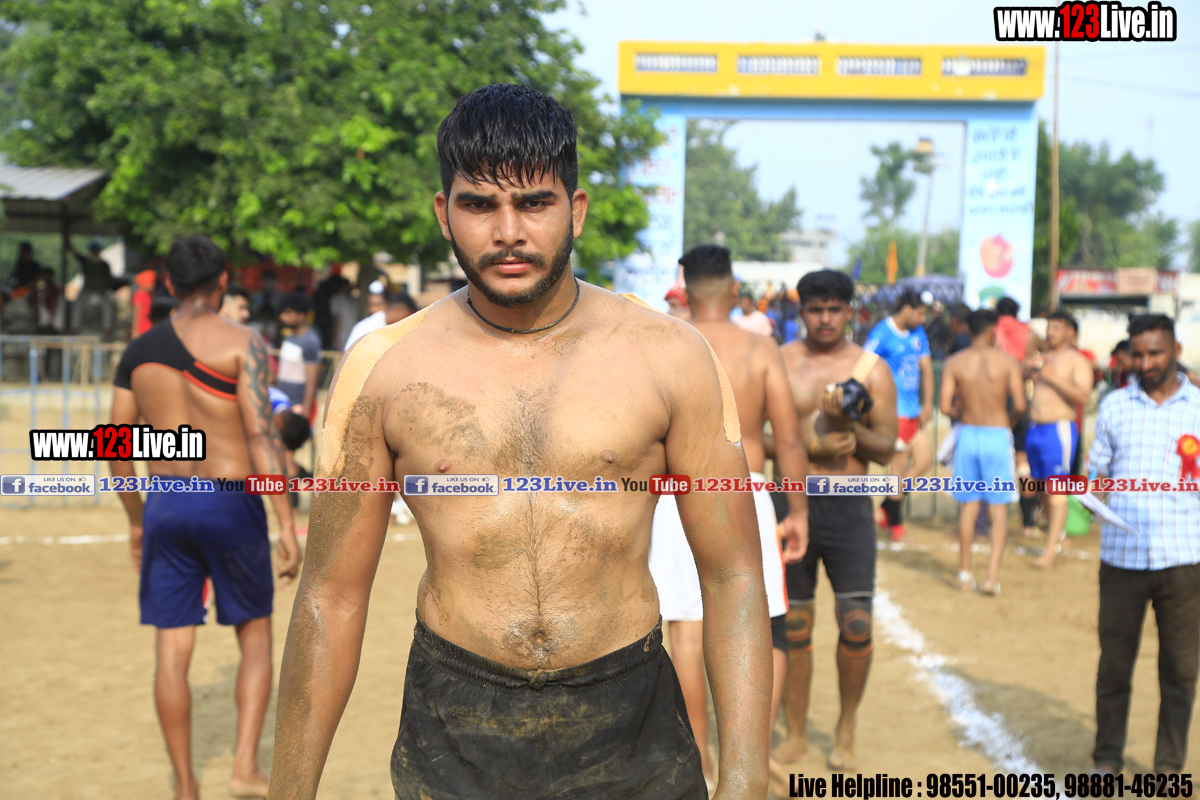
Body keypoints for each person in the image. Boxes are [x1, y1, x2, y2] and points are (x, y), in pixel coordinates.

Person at [267, 83, 772, 800]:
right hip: (455, 728)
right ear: (443, 213)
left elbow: (733, 576)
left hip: (630, 724)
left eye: (535, 203)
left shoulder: (670, 357)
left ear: (577, 209)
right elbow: (331, 595)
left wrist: (746, 779)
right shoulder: (385, 369)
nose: (508, 231)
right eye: (479, 205)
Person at [110, 234, 301, 800]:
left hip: (167, 500)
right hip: (229, 500)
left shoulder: (138, 352)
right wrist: (285, 521)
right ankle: (243, 768)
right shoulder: (244, 342)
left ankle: (186, 785)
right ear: (222, 282)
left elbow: (115, 448)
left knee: (171, 651)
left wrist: (137, 520)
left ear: (169, 282)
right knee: (256, 634)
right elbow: (261, 436)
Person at [650, 244, 809, 789]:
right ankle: (749, 755)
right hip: (747, 487)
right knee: (757, 622)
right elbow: (789, 437)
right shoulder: (760, 349)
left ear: (686, 288)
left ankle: (699, 756)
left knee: (685, 630)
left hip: (675, 493)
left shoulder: (667, 343)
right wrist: (798, 510)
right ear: (735, 289)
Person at [776, 269, 897, 771]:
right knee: (795, 624)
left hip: (849, 505)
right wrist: (810, 445)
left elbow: (886, 447)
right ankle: (796, 734)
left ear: (850, 311)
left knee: (856, 621)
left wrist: (851, 427)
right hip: (791, 501)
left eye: (834, 309)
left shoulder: (871, 369)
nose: (825, 318)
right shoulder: (780, 362)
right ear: (801, 312)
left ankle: (846, 728)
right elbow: (753, 434)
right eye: (815, 309)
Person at [1087, 313, 1200, 776]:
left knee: (1180, 672)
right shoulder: (1114, 406)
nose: (1147, 362)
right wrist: (1094, 494)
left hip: (1184, 560)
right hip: (1121, 559)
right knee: (1114, 667)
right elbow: (1097, 473)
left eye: (1156, 352)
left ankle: (1168, 769)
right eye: (1138, 354)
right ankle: (1106, 760)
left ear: (1175, 351)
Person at [939, 309, 1025, 595]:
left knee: (969, 506)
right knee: (998, 510)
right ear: (992, 331)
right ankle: (991, 578)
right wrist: (1008, 421)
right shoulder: (1008, 361)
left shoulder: (954, 362)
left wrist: (963, 412)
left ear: (968, 329)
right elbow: (1020, 405)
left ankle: (965, 575)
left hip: (969, 434)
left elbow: (945, 406)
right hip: (997, 435)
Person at [865, 289, 933, 542]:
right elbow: (864, 366)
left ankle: (884, 508)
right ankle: (896, 525)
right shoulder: (881, 333)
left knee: (924, 462)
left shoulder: (918, 333)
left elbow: (927, 369)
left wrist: (927, 404)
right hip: (895, 413)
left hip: (914, 411)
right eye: (920, 313)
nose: (923, 319)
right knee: (898, 468)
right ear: (906, 310)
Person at [1027, 311, 1094, 568]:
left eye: (1056, 327)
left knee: (1056, 489)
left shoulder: (1077, 360)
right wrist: (1029, 368)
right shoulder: (1042, 357)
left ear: (1070, 332)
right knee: (1040, 487)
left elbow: (1084, 396)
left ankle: (1050, 549)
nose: (1050, 332)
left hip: (1059, 429)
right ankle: (1059, 536)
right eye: (1049, 327)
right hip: (1035, 428)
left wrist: (1052, 377)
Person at [994, 297, 1043, 536]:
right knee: (1023, 461)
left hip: (996, 400)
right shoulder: (1030, 334)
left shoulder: (991, 331)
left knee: (995, 458)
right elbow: (1040, 359)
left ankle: (989, 520)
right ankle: (1028, 522)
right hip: (1022, 398)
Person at [275, 292, 321, 420]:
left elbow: (312, 381)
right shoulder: (289, 337)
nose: (282, 316)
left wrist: (305, 416)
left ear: (301, 315)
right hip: (285, 405)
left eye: (288, 313)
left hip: (297, 408)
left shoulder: (309, 341)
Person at [343, 288, 419, 350]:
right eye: (407, 317)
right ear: (397, 310)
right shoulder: (367, 327)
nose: (408, 323)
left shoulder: (391, 328)